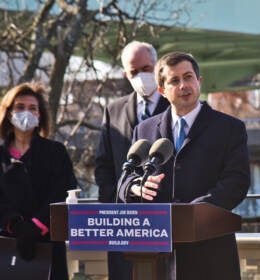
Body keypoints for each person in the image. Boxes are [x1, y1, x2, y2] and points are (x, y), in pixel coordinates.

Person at [118, 51, 250, 280]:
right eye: (174, 81)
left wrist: (192, 214)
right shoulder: (144, 130)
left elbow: (236, 183)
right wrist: (134, 188)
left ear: (199, 82)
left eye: (188, 77)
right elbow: (125, 179)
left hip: (211, 252)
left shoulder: (229, 128)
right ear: (162, 91)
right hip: (158, 256)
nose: (183, 85)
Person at [94, 41, 169, 279]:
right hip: (124, 223)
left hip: (166, 221)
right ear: (126, 74)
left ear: (157, 67)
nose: (142, 76)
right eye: (134, 72)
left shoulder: (177, 107)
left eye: (147, 68)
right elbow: (103, 164)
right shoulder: (113, 110)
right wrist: (114, 201)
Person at [0, 82, 77, 279]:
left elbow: (63, 191)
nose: (26, 112)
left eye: (32, 108)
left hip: (48, 241)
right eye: (20, 107)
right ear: (9, 113)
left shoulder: (55, 152)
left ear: (40, 115)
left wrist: (37, 225)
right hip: (6, 244)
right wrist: (14, 224)